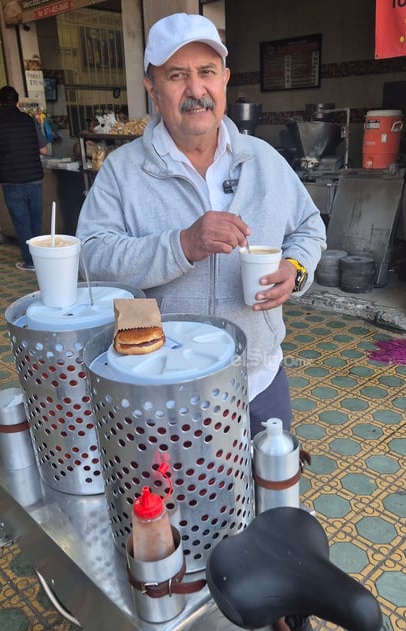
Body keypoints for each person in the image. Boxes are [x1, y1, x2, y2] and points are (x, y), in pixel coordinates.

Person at [75, 13, 326, 438]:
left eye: (206, 72)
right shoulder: (123, 170)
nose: (196, 90)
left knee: (267, 494)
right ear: (152, 89)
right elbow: (91, 255)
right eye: (177, 76)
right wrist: (182, 245)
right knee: (171, 504)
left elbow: (309, 226)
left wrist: (296, 270)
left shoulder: (263, 160)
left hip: (258, 381)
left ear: (224, 79)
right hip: (156, 384)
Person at [0, 85, 49, 271]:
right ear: (18, 102)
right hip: (34, 177)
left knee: (22, 221)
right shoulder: (28, 120)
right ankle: (42, 258)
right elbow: (44, 149)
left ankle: (31, 261)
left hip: (11, 179)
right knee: (36, 220)